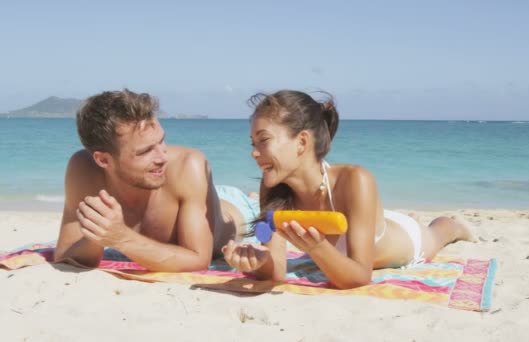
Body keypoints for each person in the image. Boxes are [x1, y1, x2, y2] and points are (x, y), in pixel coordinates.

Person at [221, 90, 475, 289]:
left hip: (406, 243)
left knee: (438, 233)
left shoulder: (354, 180)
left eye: (264, 141)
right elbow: (276, 272)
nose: (254, 153)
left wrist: (316, 248)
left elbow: (359, 277)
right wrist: (257, 262)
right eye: (253, 143)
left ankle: (454, 225)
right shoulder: (272, 187)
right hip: (367, 227)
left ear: (302, 141)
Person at [54, 89, 258, 272]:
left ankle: (253, 197)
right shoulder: (84, 168)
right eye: (145, 151)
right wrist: (98, 236)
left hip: (238, 210)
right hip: (191, 196)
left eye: (161, 141)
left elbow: (198, 260)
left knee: (254, 209)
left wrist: (121, 237)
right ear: (103, 160)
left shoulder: (189, 165)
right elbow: (65, 256)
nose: (162, 157)